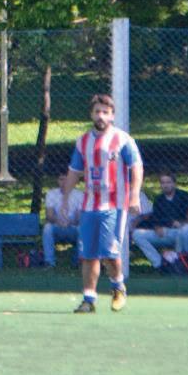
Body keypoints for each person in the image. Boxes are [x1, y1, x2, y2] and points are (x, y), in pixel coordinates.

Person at [69, 93, 141, 313]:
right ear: (91, 114)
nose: (101, 116)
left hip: (114, 206)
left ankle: (118, 286)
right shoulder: (82, 141)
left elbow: (136, 167)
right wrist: (65, 199)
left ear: (112, 116)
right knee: (88, 255)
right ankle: (89, 299)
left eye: (105, 112)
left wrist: (134, 195)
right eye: (97, 112)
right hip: (90, 206)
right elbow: (74, 171)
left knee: (110, 253)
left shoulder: (123, 140)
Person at [132, 171, 188, 270]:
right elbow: (155, 219)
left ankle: (178, 264)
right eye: (163, 183)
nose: (165, 185)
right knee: (137, 234)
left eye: (168, 182)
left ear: (174, 184)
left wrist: (180, 223)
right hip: (163, 232)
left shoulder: (184, 196)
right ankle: (160, 264)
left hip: (179, 231)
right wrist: (157, 227)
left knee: (184, 231)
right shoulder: (159, 199)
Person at [40, 169, 83, 268]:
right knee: (47, 228)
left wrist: (70, 222)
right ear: (58, 181)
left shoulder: (79, 195)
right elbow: (49, 215)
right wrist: (58, 221)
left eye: (67, 180)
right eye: (61, 179)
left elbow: (79, 217)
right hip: (57, 227)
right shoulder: (51, 194)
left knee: (82, 229)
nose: (64, 182)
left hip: (73, 227)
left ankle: (78, 261)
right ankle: (49, 262)